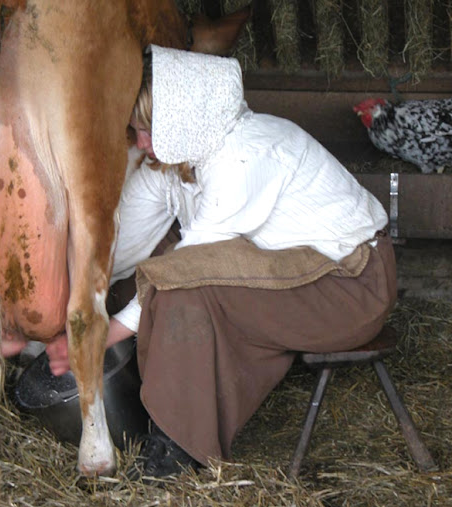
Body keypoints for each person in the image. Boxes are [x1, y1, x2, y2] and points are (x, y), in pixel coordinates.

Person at [38, 45, 397, 477]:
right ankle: (150, 406)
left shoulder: (248, 152)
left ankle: (178, 449)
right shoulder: (172, 164)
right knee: (137, 280)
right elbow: (118, 246)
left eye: (148, 130)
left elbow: (191, 265)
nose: (140, 144)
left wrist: (101, 335)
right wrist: (57, 307)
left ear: (182, 121)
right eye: (135, 130)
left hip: (349, 287)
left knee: (182, 294)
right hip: (286, 274)